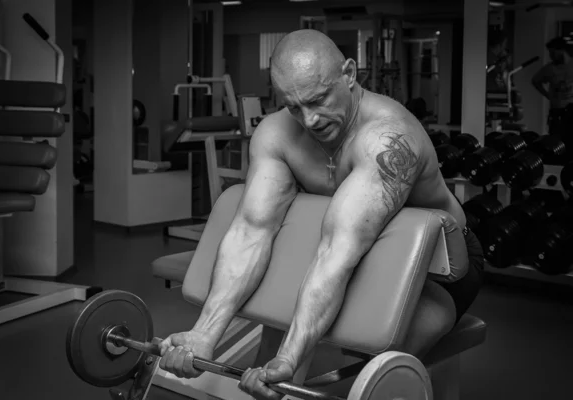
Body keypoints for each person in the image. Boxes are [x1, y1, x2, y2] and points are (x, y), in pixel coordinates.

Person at [158, 29, 484, 400]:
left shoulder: (387, 139)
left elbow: (338, 248)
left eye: (318, 100)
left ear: (349, 73)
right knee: (274, 354)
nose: (309, 120)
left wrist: (291, 358)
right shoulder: (276, 134)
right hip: (348, 252)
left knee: (367, 371)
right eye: (294, 106)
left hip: (438, 273)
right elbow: (253, 231)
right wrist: (204, 334)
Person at [532, 36, 573, 153]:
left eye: (553, 52)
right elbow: (535, 81)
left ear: (561, 51)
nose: (551, 55)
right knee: (556, 142)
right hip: (557, 112)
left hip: (571, 110)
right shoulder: (549, 69)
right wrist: (546, 94)